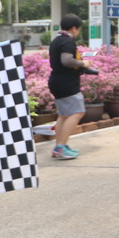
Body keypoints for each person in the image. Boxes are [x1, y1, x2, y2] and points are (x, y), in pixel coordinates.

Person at [49, 14, 91, 160]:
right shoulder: (68, 41)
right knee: (78, 112)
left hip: (56, 81)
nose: (78, 32)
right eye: (78, 29)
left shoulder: (57, 40)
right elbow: (66, 61)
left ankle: (59, 146)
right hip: (66, 83)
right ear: (74, 28)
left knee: (63, 115)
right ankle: (61, 147)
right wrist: (83, 63)